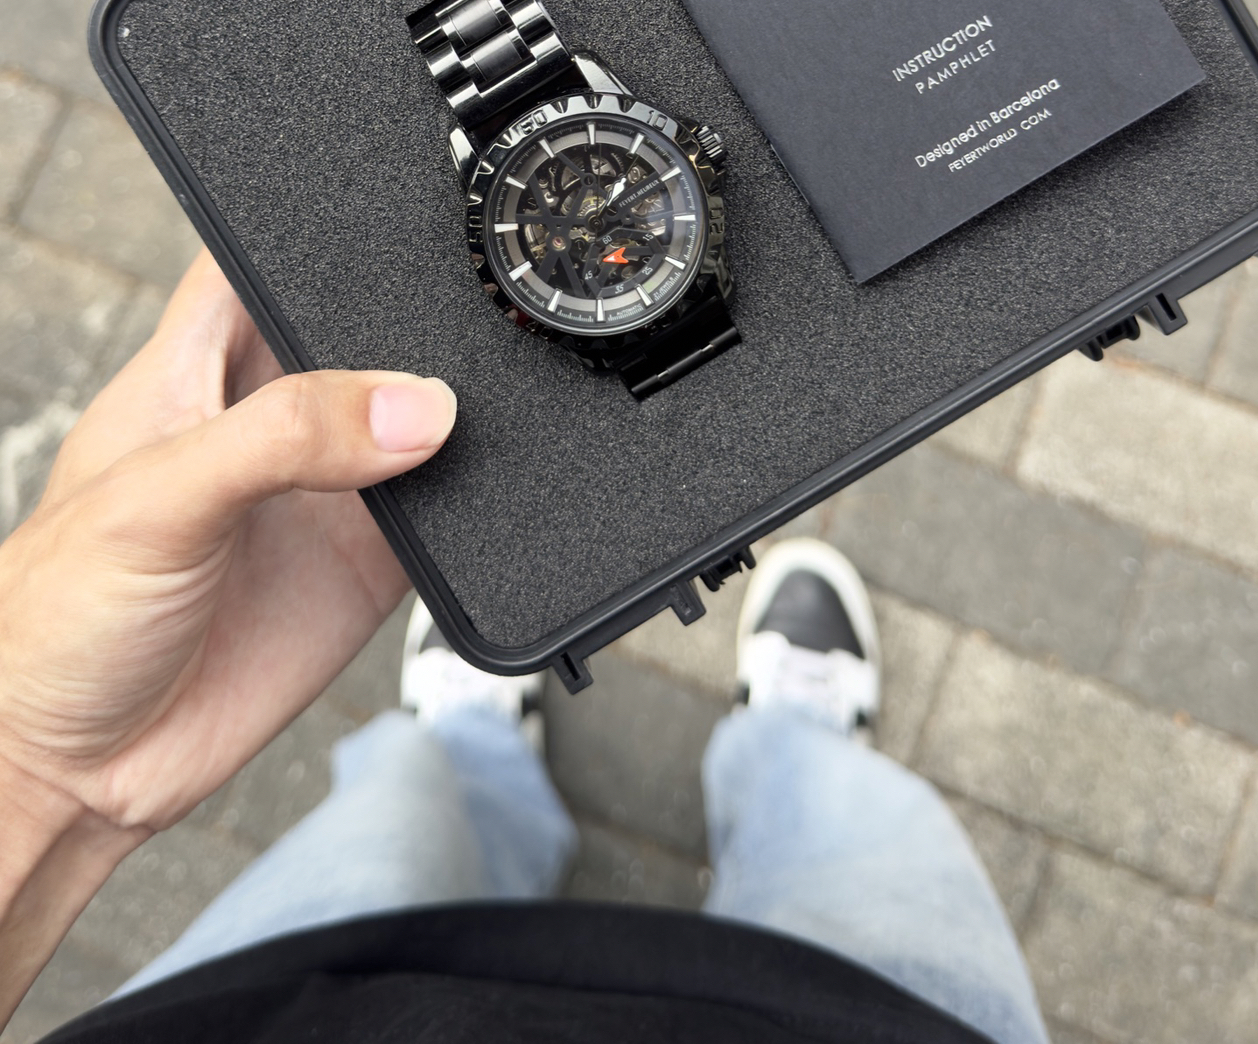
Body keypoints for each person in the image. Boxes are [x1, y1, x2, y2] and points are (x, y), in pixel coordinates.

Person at [0, 252, 1049, 1044]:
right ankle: (795, 745)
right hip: (862, 1016)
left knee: (414, 806)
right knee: (844, 827)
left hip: (292, 994)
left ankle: (474, 747)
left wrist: (41, 775)